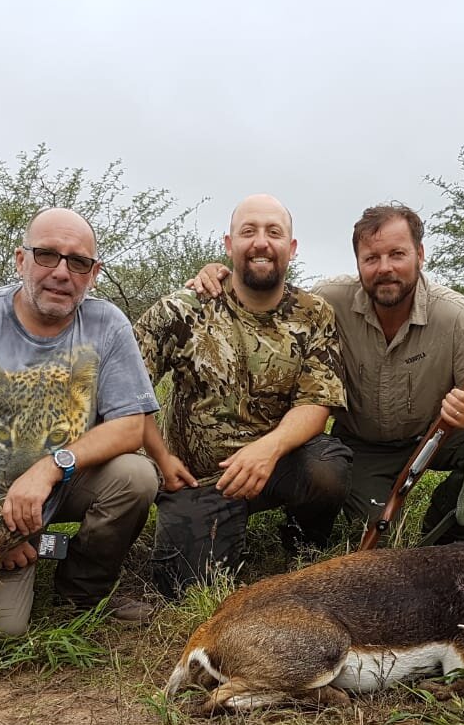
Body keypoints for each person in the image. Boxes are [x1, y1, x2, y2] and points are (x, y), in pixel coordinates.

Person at [192, 203, 464, 545]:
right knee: (374, 531)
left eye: (397, 254)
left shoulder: (458, 316)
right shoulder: (327, 299)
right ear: (358, 263)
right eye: (371, 258)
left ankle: (448, 524)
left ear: (420, 254)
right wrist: (220, 274)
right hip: (362, 447)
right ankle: (313, 524)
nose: (385, 269)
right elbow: (267, 290)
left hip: (437, 436)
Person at [0, 207, 161, 635]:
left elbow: (130, 425)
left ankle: (83, 589)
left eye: (78, 262)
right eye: (47, 255)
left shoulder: (107, 323)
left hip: (63, 482)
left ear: (93, 273)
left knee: (137, 475)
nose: (62, 272)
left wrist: (51, 467)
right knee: (7, 631)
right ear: (20, 260)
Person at [135, 194, 352, 598]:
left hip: (276, 466)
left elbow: (316, 403)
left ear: (292, 247)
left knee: (327, 466)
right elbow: (127, 393)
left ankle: (303, 536)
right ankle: (209, 523)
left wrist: (266, 451)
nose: (261, 242)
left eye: (274, 232)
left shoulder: (314, 313)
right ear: (228, 244)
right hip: (198, 479)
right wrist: (161, 459)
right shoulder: (181, 310)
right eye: (248, 231)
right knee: (186, 590)